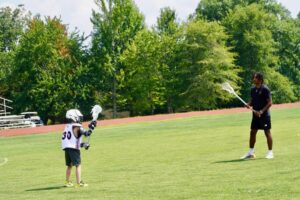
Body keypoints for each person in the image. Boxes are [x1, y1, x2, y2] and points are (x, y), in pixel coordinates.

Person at [241, 72, 273, 159]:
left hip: (264, 115)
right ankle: (251, 152)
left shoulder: (265, 89)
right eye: (253, 78)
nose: (253, 79)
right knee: (252, 132)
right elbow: (252, 100)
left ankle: (270, 152)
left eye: (255, 78)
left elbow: (270, 103)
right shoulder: (253, 90)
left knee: (267, 132)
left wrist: (261, 111)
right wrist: (248, 104)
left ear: (260, 79)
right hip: (255, 115)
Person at [61, 109, 97, 187]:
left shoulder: (67, 126)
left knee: (69, 165)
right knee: (78, 165)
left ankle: (67, 182)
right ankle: (79, 182)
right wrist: (92, 127)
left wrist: (83, 144)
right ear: (74, 117)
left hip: (67, 148)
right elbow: (87, 134)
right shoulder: (77, 126)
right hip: (73, 149)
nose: (80, 119)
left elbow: (73, 141)